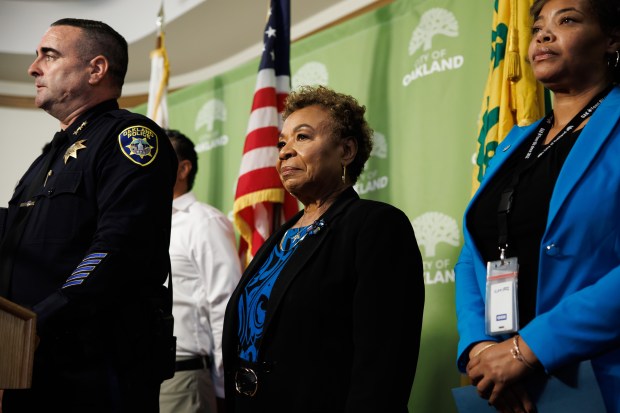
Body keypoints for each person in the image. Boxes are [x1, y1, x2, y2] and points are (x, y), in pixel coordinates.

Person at [0, 18, 177, 412]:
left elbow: (118, 248)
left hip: (95, 369)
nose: (33, 68)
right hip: (28, 361)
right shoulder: (48, 155)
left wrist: (41, 318)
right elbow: (18, 235)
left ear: (95, 69)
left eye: (49, 55)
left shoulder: (129, 138)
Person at [455, 0, 620, 411]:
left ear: (611, 41)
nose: (543, 35)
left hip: (601, 379)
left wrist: (528, 349)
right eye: (537, 27)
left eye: (567, 21)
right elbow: (471, 258)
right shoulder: (514, 143)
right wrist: (480, 351)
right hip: (503, 388)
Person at [221, 85, 425, 413]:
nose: (285, 151)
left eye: (302, 137)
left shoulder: (376, 226)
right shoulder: (280, 237)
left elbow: (384, 362)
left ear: (346, 150)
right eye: (281, 142)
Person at [160, 129, 242, 413]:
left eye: (158, 157)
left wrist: (223, 387)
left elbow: (226, 304)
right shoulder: (142, 222)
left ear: (183, 168)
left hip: (184, 376)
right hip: (138, 375)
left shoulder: (204, 222)